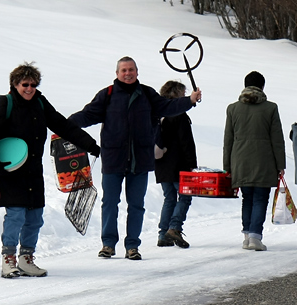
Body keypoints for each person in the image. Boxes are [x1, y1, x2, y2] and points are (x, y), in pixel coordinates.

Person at [69, 56, 201, 261]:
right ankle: (108, 244)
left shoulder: (147, 94)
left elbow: (168, 107)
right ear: (117, 73)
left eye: (131, 70)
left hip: (140, 159)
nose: (128, 73)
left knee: (136, 205)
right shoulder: (107, 95)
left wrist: (190, 101)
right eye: (124, 70)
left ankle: (132, 246)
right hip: (113, 158)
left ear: (137, 72)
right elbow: (88, 115)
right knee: (110, 203)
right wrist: (67, 125)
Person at [0, 63, 100, 278]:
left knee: (35, 217)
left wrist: (91, 145)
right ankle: (9, 259)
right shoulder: (3, 104)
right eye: (25, 84)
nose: (29, 88)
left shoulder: (40, 103)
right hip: (9, 170)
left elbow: (63, 126)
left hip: (33, 170)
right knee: (15, 215)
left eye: (33, 84)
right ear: (15, 84)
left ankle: (26, 259)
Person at [224, 71, 285, 251]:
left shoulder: (233, 108)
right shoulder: (270, 108)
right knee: (260, 198)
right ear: (262, 87)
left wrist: (227, 166)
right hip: (264, 162)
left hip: (240, 161)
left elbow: (228, 140)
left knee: (247, 198)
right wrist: (280, 164)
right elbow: (277, 139)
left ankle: (246, 236)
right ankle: (255, 237)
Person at [154, 80, 198, 248]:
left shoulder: (158, 113)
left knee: (169, 198)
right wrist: (192, 165)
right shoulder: (178, 115)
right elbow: (186, 142)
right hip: (179, 164)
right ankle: (174, 228)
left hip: (161, 164)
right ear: (177, 94)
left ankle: (162, 234)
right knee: (185, 197)